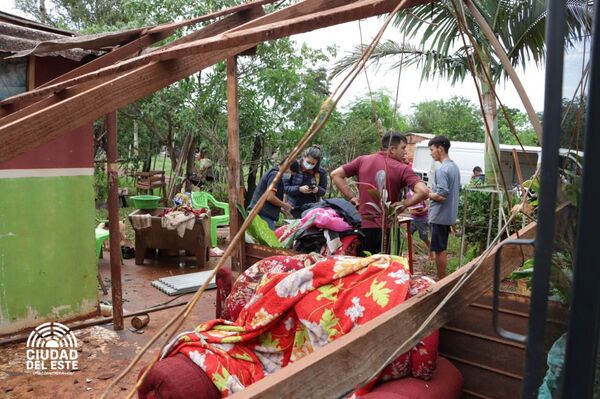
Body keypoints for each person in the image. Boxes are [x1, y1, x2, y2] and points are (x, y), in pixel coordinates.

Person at [331, 131, 429, 255]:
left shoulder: (362, 160)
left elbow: (335, 174)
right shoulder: (402, 168)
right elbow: (424, 191)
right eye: (403, 148)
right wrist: (403, 204)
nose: (406, 152)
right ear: (392, 149)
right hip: (387, 228)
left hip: (363, 227)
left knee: (365, 268)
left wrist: (353, 197)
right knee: (387, 268)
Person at [427, 136, 461, 279]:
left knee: (439, 250)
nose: (431, 153)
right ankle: (442, 279)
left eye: (432, 149)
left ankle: (441, 281)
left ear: (440, 149)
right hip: (448, 216)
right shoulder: (454, 167)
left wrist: (427, 193)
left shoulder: (442, 170)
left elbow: (441, 196)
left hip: (439, 216)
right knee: (441, 248)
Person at [248, 161, 296, 230]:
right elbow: (270, 197)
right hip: (262, 213)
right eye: (291, 173)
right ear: (287, 167)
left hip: (262, 212)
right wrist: (284, 205)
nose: (289, 176)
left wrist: (283, 210)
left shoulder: (275, 174)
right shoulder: (275, 175)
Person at [284, 145, 328, 218]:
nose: (309, 165)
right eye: (308, 162)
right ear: (304, 157)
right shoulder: (292, 166)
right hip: (293, 206)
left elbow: (323, 191)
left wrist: (317, 190)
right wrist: (299, 189)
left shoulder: (321, 172)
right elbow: (284, 188)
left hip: (312, 207)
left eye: (313, 164)